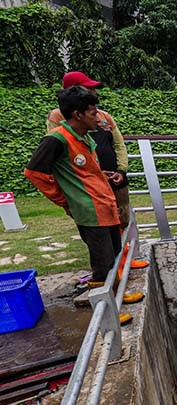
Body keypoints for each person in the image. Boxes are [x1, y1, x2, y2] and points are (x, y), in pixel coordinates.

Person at [25, 86, 139, 324]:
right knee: (102, 264)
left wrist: (105, 175)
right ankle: (108, 315)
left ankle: (118, 298)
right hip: (90, 213)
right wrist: (65, 200)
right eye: (93, 112)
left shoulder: (84, 138)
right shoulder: (56, 139)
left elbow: (83, 171)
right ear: (77, 114)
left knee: (115, 256)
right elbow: (34, 172)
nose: (98, 117)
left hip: (105, 206)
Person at [47, 71, 149, 270]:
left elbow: (119, 144)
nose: (93, 92)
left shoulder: (103, 116)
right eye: (88, 88)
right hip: (88, 186)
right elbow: (58, 157)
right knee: (99, 230)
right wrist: (63, 197)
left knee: (121, 220)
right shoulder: (60, 120)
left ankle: (124, 260)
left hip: (111, 178)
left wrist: (122, 170)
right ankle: (112, 271)